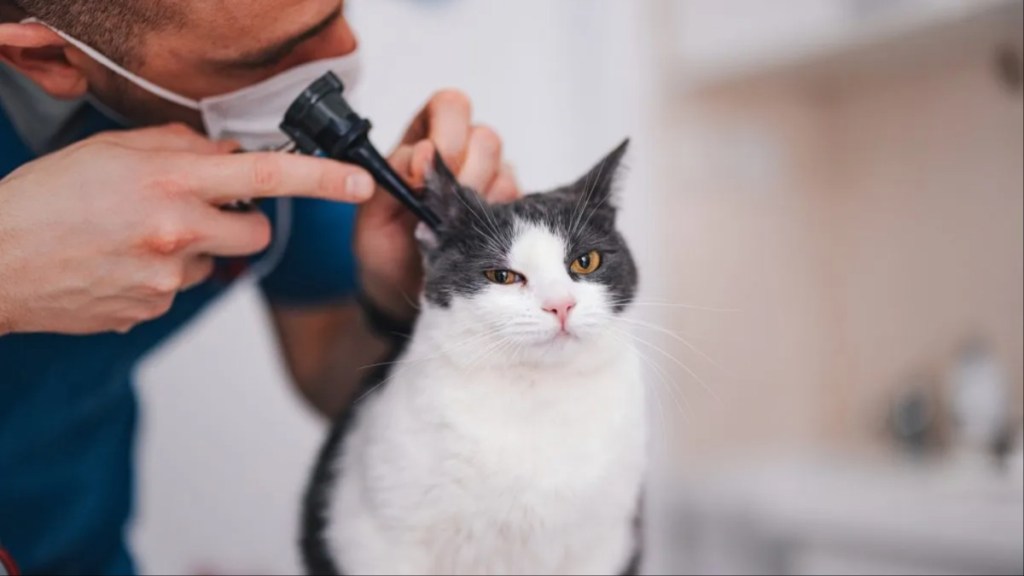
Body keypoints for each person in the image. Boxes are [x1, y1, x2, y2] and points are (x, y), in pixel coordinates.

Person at [0, 1, 518, 573]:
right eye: (270, 58)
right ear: (45, 58)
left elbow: (328, 366)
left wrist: (409, 307)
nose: (341, 59)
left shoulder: (265, 122)